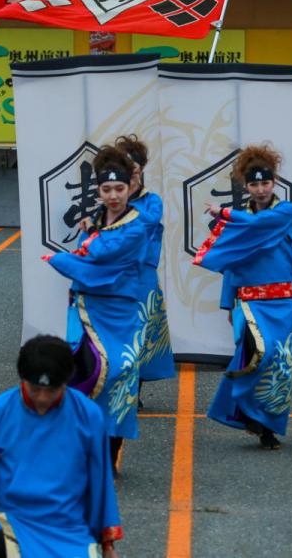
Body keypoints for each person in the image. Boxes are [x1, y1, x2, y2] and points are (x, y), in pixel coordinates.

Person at [0, 335, 123, 558]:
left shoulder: (89, 415)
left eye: (52, 390)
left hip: (68, 528)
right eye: (36, 389)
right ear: (22, 379)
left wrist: (107, 544)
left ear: (66, 381)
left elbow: (100, 482)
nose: (43, 397)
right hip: (13, 521)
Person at [44, 146, 149, 470]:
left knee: (120, 375)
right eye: (107, 189)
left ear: (130, 187)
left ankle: (110, 448)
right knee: (81, 374)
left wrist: (65, 259)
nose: (114, 195)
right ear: (98, 191)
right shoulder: (96, 224)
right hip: (87, 309)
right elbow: (86, 263)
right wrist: (76, 263)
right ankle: (83, 449)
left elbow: (101, 254)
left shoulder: (136, 225)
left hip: (121, 311)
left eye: (119, 188)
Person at [192, 144, 292, 451]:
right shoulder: (239, 219)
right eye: (254, 184)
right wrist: (228, 303)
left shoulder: (283, 212)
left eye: (265, 183)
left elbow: (257, 225)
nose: (260, 188)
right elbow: (232, 262)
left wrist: (223, 213)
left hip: (280, 299)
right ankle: (250, 414)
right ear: (246, 186)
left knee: (278, 361)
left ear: (274, 183)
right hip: (248, 300)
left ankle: (267, 425)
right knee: (257, 353)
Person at [114, 134, 175, 404]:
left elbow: (146, 223)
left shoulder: (152, 202)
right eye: (128, 172)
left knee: (141, 333)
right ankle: (118, 387)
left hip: (143, 277)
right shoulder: (111, 201)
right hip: (116, 277)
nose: (132, 177)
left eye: (136, 172)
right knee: (119, 332)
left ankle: (133, 389)